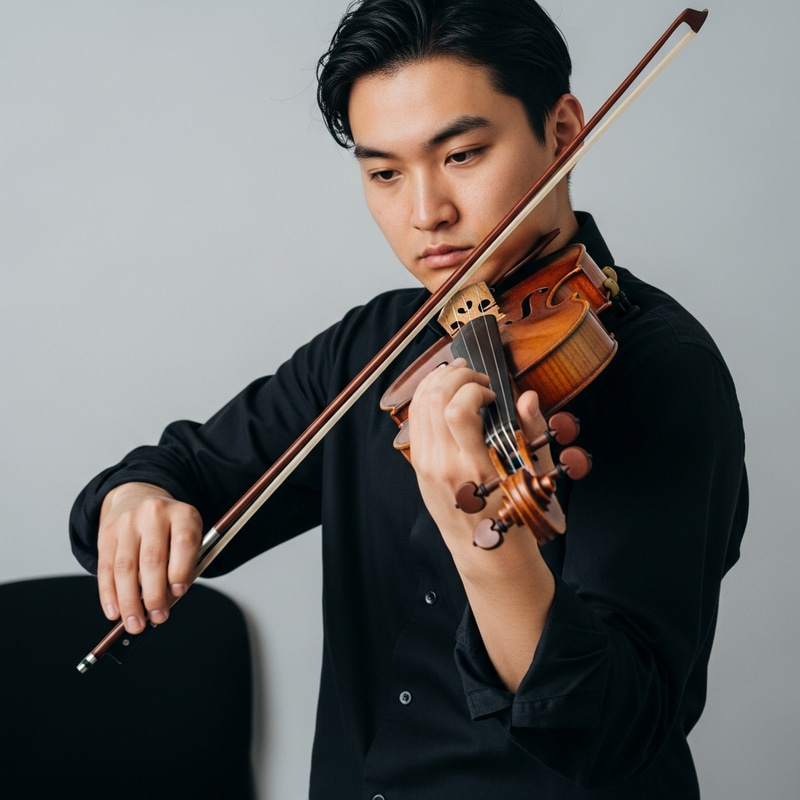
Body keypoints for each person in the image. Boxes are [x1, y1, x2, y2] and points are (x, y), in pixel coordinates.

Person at [69, 1, 748, 797]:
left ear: (563, 131)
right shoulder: (381, 346)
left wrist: (483, 542)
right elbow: (181, 469)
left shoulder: (660, 368)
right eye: (385, 172)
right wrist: (139, 499)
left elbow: (613, 732)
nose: (426, 214)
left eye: (462, 155)